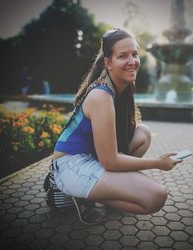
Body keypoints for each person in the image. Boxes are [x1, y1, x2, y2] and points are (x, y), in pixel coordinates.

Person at [52, 28, 182, 224]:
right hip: (70, 165)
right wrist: (157, 163)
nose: (132, 61)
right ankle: (77, 193)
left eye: (135, 54)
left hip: (92, 158)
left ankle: (105, 193)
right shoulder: (101, 96)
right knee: (155, 196)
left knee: (143, 133)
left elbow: (114, 151)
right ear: (108, 63)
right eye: (123, 56)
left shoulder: (121, 87)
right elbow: (110, 162)